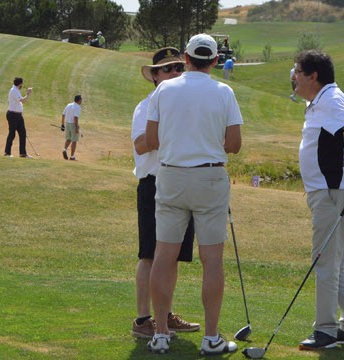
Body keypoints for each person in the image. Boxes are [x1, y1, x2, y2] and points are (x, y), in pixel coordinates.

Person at [145, 34, 243, 356]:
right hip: (209, 177)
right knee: (211, 259)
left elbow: (151, 137)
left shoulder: (164, 89)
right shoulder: (224, 92)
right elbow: (234, 144)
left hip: (171, 174)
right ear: (214, 61)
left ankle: (160, 333)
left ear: (186, 58)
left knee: (163, 255)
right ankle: (211, 337)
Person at [290, 50, 344, 351]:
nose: (294, 76)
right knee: (336, 260)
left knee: (324, 259)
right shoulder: (318, 102)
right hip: (327, 190)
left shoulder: (332, 98)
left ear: (313, 76)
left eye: (298, 71)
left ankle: (325, 329)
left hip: (332, 190)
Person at [130, 47, 202, 340]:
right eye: (168, 69)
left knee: (172, 257)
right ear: (155, 76)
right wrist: (170, 132)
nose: (175, 73)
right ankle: (143, 319)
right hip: (154, 184)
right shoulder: (145, 106)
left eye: (178, 68)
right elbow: (139, 144)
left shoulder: (184, 107)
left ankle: (166, 315)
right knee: (150, 254)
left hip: (181, 182)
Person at [4, 77, 32, 158]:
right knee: (12, 133)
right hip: (13, 115)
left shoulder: (16, 90)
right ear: (20, 84)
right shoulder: (14, 91)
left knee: (23, 133)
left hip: (18, 115)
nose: (22, 85)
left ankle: (23, 153)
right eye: (22, 84)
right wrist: (28, 93)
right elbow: (23, 100)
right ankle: (7, 152)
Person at [60, 94, 82, 160]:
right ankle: (72, 156)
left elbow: (63, 115)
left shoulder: (68, 105)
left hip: (67, 123)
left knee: (68, 139)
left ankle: (64, 149)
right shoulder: (77, 107)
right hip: (73, 124)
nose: (81, 101)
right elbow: (75, 118)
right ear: (79, 100)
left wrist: (62, 124)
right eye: (81, 100)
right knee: (74, 141)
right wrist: (76, 127)